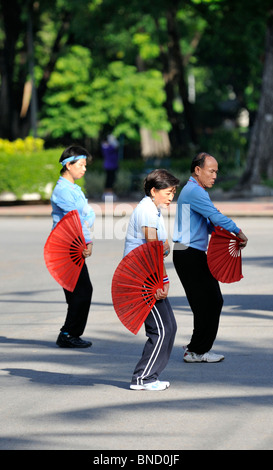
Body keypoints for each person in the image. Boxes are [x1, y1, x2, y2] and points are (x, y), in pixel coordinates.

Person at [173, 152, 248, 363]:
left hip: (187, 252)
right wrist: (238, 231)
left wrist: (223, 232)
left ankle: (196, 349)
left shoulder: (193, 191)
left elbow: (206, 223)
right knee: (211, 301)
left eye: (217, 172)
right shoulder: (195, 192)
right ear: (198, 170)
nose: (215, 176)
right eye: (211, 171)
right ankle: (197, 350)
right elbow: (215, 216)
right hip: (188, 253)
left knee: (205, 302)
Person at [123, 169, 180, 391]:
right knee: (161, 329)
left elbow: (158, 246)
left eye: (174, 192)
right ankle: (142, 378)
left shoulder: (153, 209)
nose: (171, 196)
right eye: (168, 191)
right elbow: (151, 250)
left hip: (148, 275)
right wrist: (161, 281)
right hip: (141, 277)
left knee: (170, 327)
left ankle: (150, 376)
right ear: (154, 191)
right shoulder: (147, 210)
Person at [50, 145, 95, 348]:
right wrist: (88, 241)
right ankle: (68, 333)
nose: (84, 169)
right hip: (66, 246)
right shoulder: (62, 191)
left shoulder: (74, 189)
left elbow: (89, 214)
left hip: (75, 245)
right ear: (68, 165)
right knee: (81, 291)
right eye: (81, 165)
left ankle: (70, 333)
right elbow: (76, 218)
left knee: (79, 291)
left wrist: (86, 233)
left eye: (85, 165)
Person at [101, 134, 119, 201]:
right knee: (110, 180)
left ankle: (109, 193)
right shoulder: (108, 147)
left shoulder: (107, 147)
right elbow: (116, 145)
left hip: (112, 166)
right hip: (110, 166)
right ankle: (108, 193)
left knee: (111, 180)